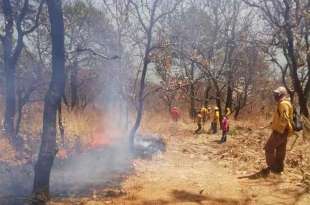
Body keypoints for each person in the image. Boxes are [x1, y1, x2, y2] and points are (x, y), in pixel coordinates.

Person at [262, 86, 293, 175]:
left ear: (281, 95)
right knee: (280, 150)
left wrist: (279, 130)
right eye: (275, 94)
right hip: (284, 131)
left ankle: (273, 168)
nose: (275, 96)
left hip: (280, 132)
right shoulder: (286, 103)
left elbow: (284, 119)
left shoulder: (283, 104)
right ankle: (279, 168)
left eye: (277, 94)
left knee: (268, 148)